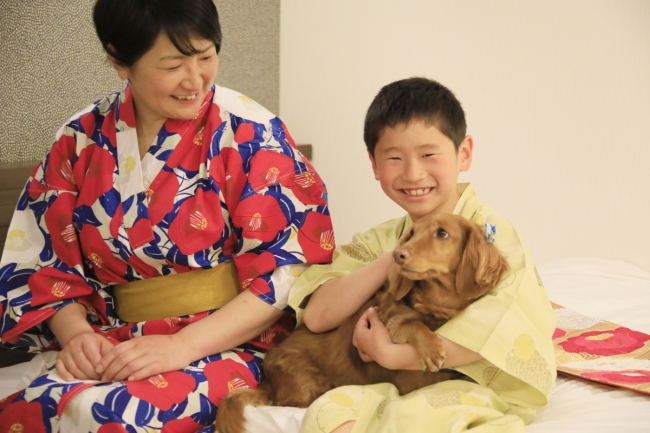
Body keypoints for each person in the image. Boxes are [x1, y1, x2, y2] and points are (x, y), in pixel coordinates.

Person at [0, 0, 334, 431]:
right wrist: (77, 337)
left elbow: (289, 268)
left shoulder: (252, 131)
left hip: (231, 341)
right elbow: (42, 263)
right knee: (33, 406)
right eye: (173, 63)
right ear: (120, 60)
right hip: (112, 340)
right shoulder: (79, 138)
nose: (194, 80)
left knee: (103, 416)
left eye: (206, 56)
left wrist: (180, 347)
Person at [287, 77, 557, 433]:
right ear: (373, 164)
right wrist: (396, 255)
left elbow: (499, 323)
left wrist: (390, 354)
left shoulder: (489, 230)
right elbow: (319, 316)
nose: (413, 173)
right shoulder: (379, 241)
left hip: (475, 382)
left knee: (417, 416)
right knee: (326, 413)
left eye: (429, 154)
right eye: (394, 158)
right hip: (394, 382)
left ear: (464, 153)